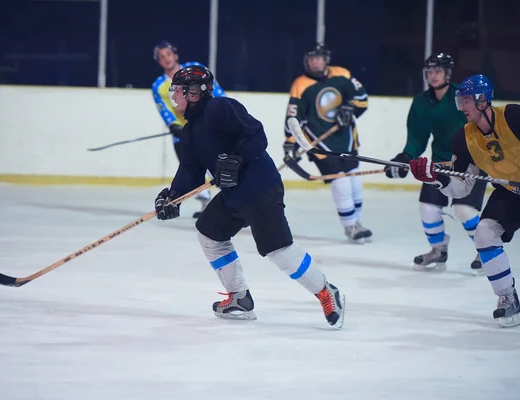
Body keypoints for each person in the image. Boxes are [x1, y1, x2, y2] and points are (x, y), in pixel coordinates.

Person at [153, 65, 345, 328]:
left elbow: (256, 134)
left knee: (278, 250)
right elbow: (190, 172)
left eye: (177, 91)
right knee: (209, 232)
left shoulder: (221, 108)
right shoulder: (190, 131)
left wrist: (237, 158)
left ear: (194, 93)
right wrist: (173, 197)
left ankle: (326, 291)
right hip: (234, 195)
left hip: (260, 188)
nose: (174, 97)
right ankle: (239, 298)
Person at [408, 74, 520, 328]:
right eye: (460, 101)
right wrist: (436, 180)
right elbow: (463, 188)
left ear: (483, 100)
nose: (461, 107)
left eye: (466, 101)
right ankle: (507, 298)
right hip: (511, 192)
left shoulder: (516, 116)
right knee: (485, 233)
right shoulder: (464, 137)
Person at [385, 53, 487, 273]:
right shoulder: (421, 102)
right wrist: (405, 158)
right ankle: (438, 250)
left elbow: (483, 125)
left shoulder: (464, 96)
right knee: (428, 209)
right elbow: (417, 137)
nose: (433, 76)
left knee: (464, 210)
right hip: (439, 164)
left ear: (448, 73)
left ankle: (485, 248)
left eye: (438, 71)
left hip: (470, 163)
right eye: (430, 72)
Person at [283, 43, 372, 244]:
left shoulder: (342, 74)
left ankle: (357, 222)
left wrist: (349, 109)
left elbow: (362, 99)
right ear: (306, 62)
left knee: (353, 179)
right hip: (318, 144)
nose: (315, 62)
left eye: (319, 58)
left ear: (326, 59)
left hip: (347, 138)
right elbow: (293, 117)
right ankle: (350, 227)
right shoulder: (300, 84)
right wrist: (291, 142)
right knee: (340, 181)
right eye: (311, 59)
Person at [151, 40, 226, 218]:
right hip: (186, 131)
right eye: (162, 57)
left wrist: (222, 111)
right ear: (159, 62)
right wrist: (174, 126)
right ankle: (206, 203)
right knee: (190, 168)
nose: (166, 59)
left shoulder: (195, 68)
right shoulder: (159, 85)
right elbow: (164, 109)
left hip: (208, 126)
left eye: (168, 54)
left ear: (176, 55)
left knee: (219, 163)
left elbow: (216, 90)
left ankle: (229, 200)